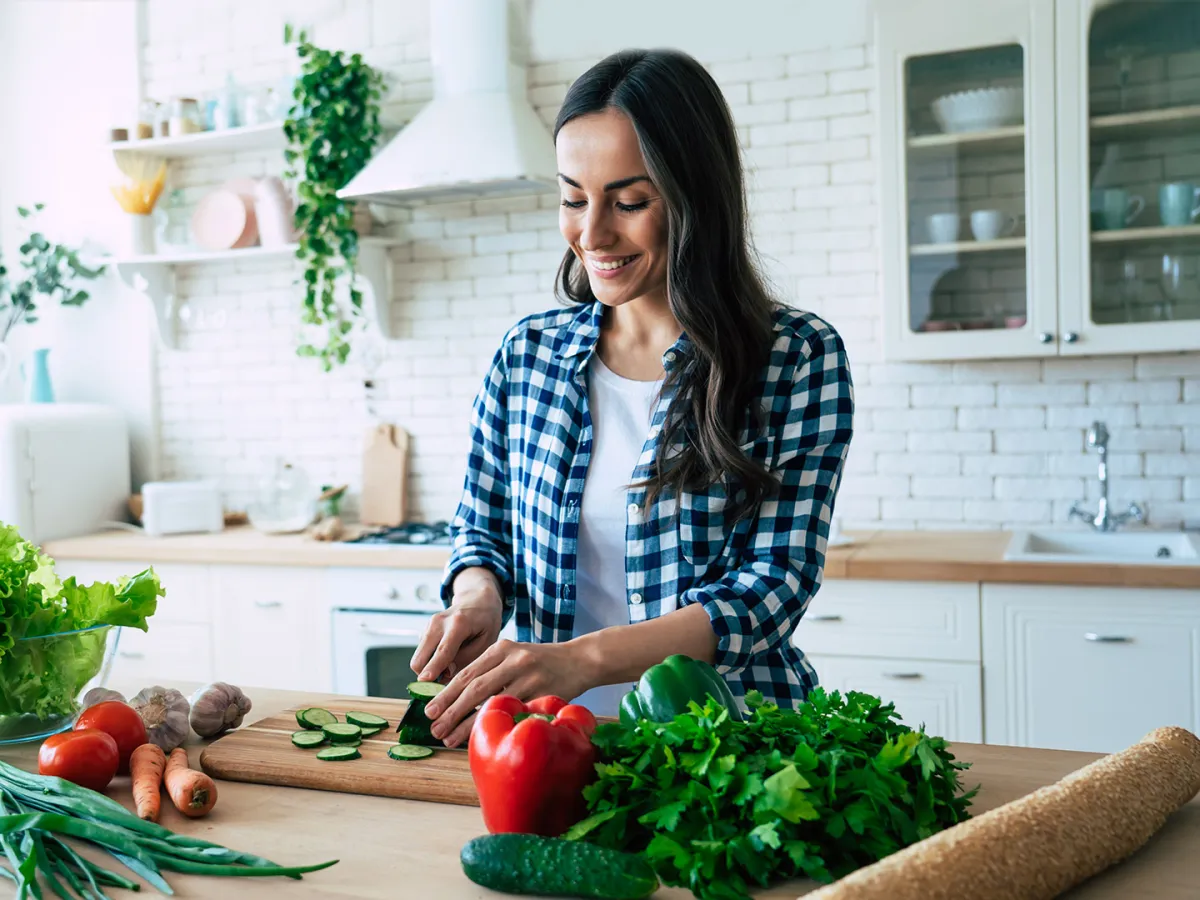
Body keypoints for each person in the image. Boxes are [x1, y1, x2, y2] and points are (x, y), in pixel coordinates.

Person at [410, 48, 854, 748]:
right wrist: (477, 595)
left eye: (629, 202)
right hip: (550, 745)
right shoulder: (528, 355)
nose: (592, 234)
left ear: (693, 196)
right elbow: (481, 529)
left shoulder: (794, 358)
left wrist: (581, 661)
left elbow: (771, 588)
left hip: (731, 749)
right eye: (572, 198)